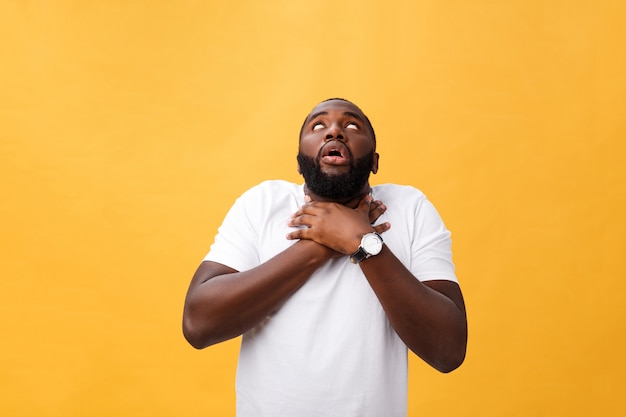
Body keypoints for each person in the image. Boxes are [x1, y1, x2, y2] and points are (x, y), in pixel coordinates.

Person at [182, 98, 467, 417]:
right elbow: (198, 323)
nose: (334, 131)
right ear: (299, 161)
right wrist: (321, 243)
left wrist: (365, 244)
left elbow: (448, 349)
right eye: (318, 126)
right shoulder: (262, 203)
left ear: (374, 160)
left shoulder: (411, 207)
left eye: (351, 126)